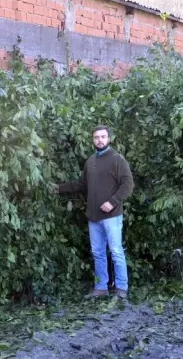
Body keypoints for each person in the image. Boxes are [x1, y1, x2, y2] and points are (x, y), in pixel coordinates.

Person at [53, 125, 134, 299]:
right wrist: (59, 188)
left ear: (109, 139)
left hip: (111, 216)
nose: (100, 140)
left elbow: (128, 185)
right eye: (96, 137)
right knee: (98, 253)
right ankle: (101, 287)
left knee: (116, 251)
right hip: (94, 216)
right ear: (93, 140)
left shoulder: (117, 159)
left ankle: (121, 288)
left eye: (103, 137)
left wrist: (112, 202)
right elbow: (82, 185)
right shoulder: (90, 161)